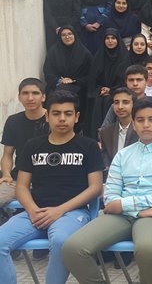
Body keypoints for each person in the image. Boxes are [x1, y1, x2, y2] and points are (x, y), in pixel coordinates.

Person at [63, 97, 152, 284]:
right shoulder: (123, 155)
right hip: (122, 215)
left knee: (149, 249)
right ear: (134, 124)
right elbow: (110, 196)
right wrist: (138, 210)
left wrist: (123, 205)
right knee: (73, 248)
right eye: (140, 120)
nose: (146, 125)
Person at [0, 90, 103, 284]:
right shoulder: (33, 145)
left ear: (76, 117)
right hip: (35, 212)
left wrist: (59, 210)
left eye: (68, 113)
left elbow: (95, 188)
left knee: (60, 241)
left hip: (72, 213)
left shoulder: (88, 146)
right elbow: (21, 186)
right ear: (47, 116)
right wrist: (32, 210)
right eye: (56, 113)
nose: (62, 118)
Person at [0, 78, 49, 206]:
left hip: (49, 179)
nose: (30, 98)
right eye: (25, 93)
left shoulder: (54, 119)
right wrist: (6, 175)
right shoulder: (13, 121)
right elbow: (7, 154)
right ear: (19, 97)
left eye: (35, 93)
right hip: (19, 178)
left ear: (43, 97)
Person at [98, 87, 139, 171]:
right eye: (116, 102)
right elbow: (106, 163)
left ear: (134, 105)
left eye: (125, 102)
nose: (120, 107)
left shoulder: (141, 130)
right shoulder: (105, 132)